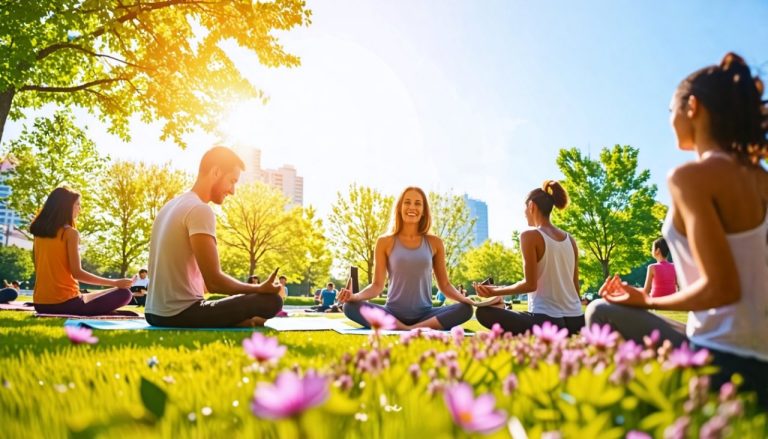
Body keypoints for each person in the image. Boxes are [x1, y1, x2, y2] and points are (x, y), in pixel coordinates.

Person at [586, 53, 768, 407]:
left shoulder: (690, 177)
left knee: (599, 311)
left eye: (671, 110)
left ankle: (624, 406)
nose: (669, 120)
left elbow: (722, 288)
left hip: (722, 361)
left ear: (692, 107)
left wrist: (647, 299)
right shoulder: (761, 178)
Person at [145, 146, 282, 328]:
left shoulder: (169, 207)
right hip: (180, 314)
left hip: (153, 313)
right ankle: (241, 321)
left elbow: (205, 285)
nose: (233, 190)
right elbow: (214, 282)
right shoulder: (200, 209)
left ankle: (239, 322)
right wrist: (259, 288)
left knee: (249, 300)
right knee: (272, 301)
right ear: (216, 172)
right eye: (232, 181)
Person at [338, 187, 474, 330]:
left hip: (426, 314)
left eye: (417, 203)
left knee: (465, 309)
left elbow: (445, 285)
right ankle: (408, 328)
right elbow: (377, 286)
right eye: (407, 202)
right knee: (350, 306)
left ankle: (409, 328)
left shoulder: (435, 243)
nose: (412, 207)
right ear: (399, 207)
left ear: (423, 211)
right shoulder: (384, 241)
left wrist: (464, 299)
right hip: (392, 313)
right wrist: (355, 297)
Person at [474, 181, 584, 335]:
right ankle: (501, 304)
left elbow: (530, 285)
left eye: (525, 208)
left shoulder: (529, 236)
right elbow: (575, 286)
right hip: (577, 321)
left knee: (483, 313)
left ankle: (500, 305)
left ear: (531, 206)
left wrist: (494, 292)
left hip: (548, 323)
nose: (525, 212)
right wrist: (497, 289)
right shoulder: (570, 239)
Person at [30, 187, 134, 316]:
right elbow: (77, 273)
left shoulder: (39, 233)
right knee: (125, 294)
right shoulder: (70, 233)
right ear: (67, 207)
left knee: (109, 291)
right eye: (78, 204)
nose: (80, 209)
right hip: (66, 303)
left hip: (40, 304)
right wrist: (114, 282)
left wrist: (115, 285)